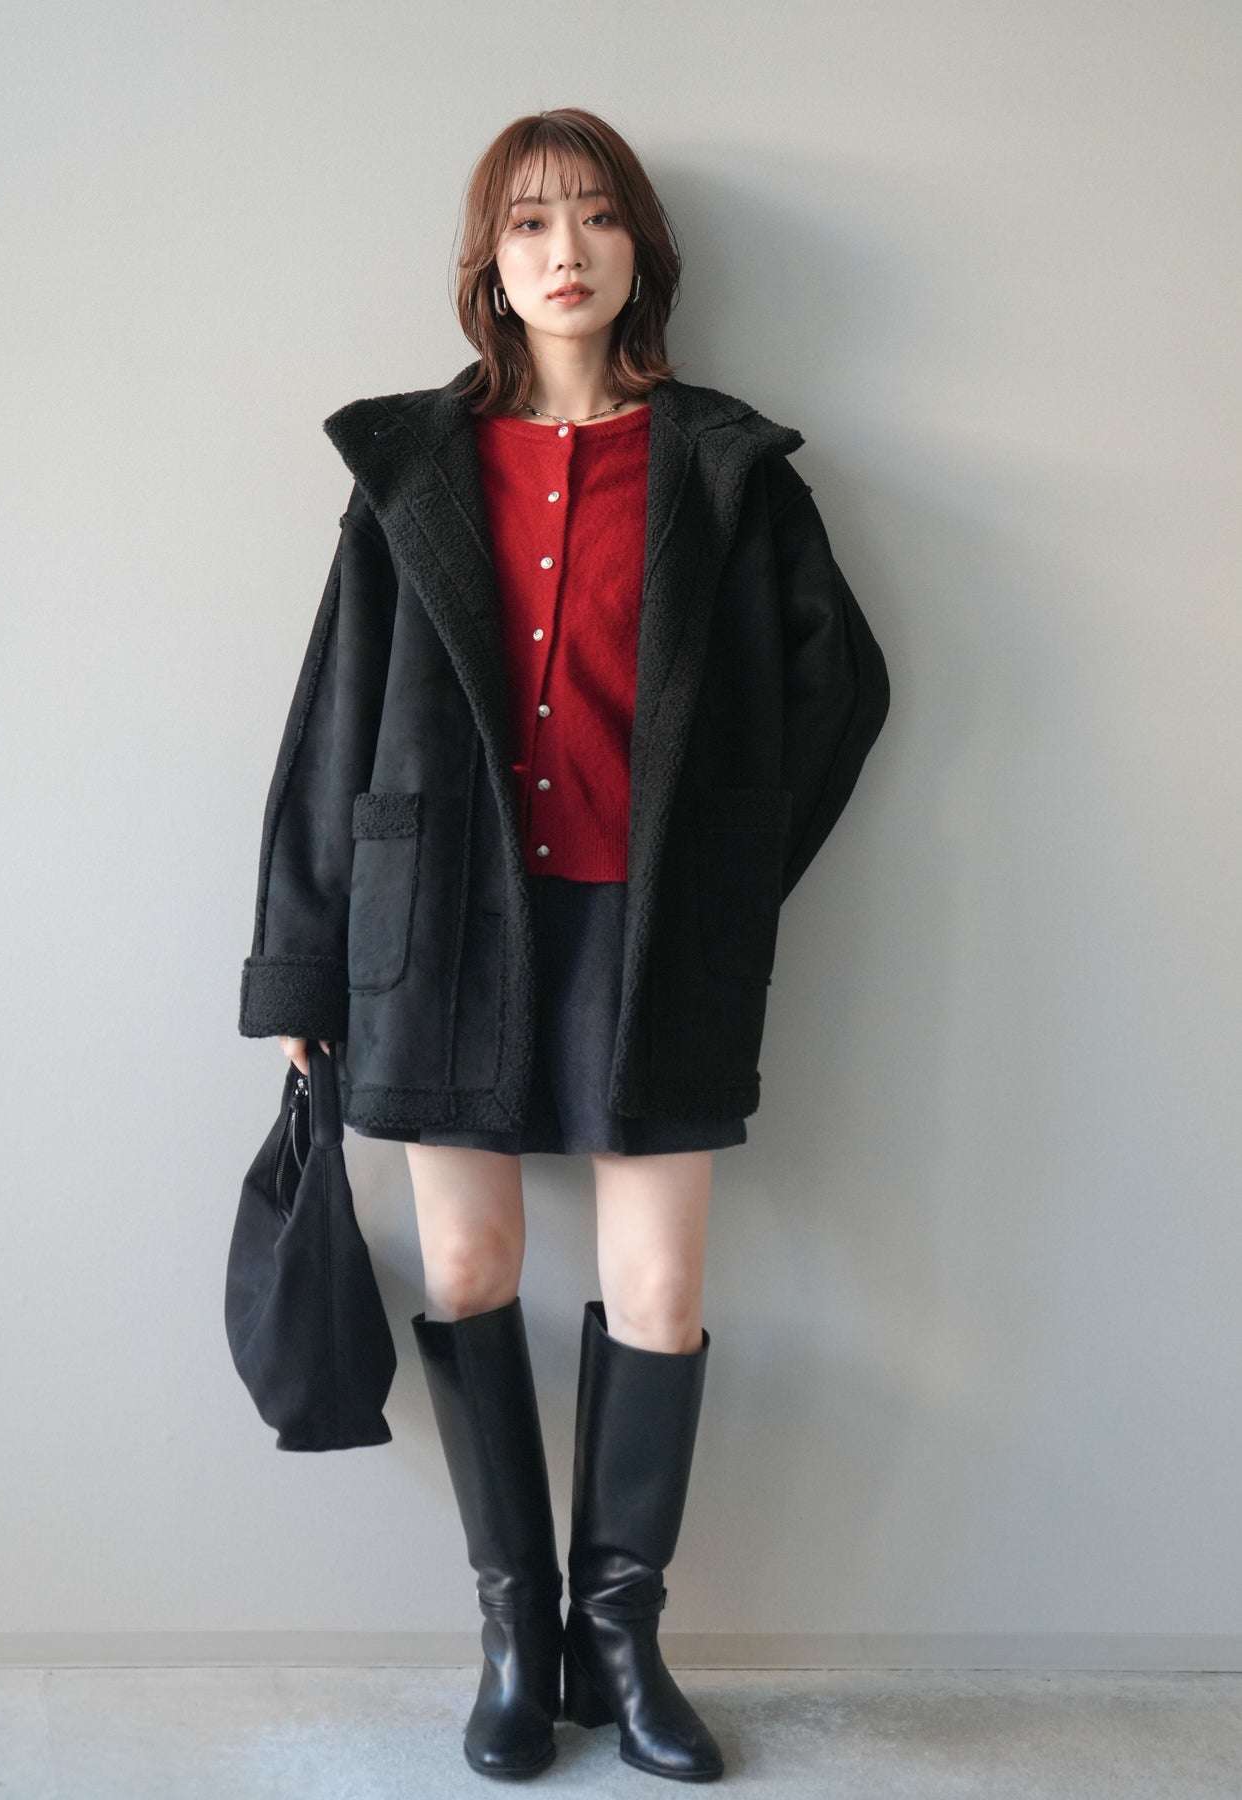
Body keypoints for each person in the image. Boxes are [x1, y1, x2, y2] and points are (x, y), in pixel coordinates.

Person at [241, 107, 890, 1784]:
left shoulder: (724, 468)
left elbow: (840, 692)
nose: (563, 250)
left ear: (638, 253)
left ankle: (623, 1639)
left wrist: (730, 871)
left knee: (658, 1288)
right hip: (437, 927)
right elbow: (331, 726)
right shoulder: (410, 469)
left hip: (647, 928)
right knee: (467, 1272)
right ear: (488, 263)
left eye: (595, 217)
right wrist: (303, 965)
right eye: (528, 222)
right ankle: (514, 1638)